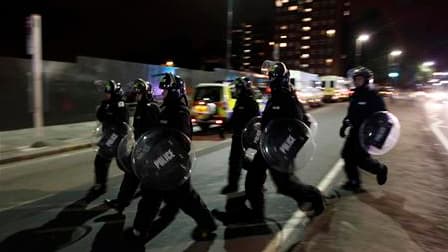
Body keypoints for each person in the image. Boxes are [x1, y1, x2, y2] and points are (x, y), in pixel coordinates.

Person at [126, 73, 217, 244]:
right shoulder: (165, 109)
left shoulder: (179, 112)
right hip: (162, 164)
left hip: (174, 165)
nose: (162, 93)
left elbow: (182, 141)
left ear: (174, 91)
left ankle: (208, 224)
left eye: (166, 90)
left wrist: (164, 153)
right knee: (152, 196)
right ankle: (140, 230)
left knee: (187, 199)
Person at [244, 62, 324, 221]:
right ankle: (257, 213)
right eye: (270, 76)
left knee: (285, 185)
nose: (270, 79)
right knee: (253, 179)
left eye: (273, 76)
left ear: (282, 78)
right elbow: (267, 121)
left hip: (280, 150)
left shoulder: (287, 98)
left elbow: (299, 127)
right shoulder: (274, 96)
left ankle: (314, 197)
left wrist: (285, 148)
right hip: (266, 146)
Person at [105, 78, 160, 213]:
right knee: (131, 173)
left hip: (150, 149)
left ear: (146, 93)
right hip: (141, 146)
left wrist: (148, 148)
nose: (137, 96)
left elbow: (156, 131)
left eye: (139, 93)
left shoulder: (151, 108)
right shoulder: (140, 108)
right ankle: (121, 202)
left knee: (146, 181)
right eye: (136, 94)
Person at [339, 66, 388, 192]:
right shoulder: (355, 94)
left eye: (359, 79)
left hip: (366, 133)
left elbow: (383, 116)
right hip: (354, 131)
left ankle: (380, 169)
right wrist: (344, 125)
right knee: (346, 155)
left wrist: (375, 133)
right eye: (355, 79)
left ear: (366, 80)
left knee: (360, 159)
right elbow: (351, 113)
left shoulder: (373, 95)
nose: (356, 81)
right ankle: (354, 182)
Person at [87, 80, 129, 198]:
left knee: (123, 164)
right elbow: (100, 117)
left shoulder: (120, 104)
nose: (106, 95)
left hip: (117, 138)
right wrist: (104, 105)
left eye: (108, 93)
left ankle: (136, 178)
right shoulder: (108, 103)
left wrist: (111, 140)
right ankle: (101, 184)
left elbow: (122, 124)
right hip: (108, 136)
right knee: (100, 161)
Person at [220, 77, 260, 194]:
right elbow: (234, 118)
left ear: (243, 88)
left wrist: (253, 139)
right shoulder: (239, 102)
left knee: (243, 161)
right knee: (235, 161)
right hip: (237, 137)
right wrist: (224, 128)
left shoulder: (251, 102)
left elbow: (256, 122)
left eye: (238, 88)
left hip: (247, 139)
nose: (236, 91)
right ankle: (232, 186)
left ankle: (257, 181)